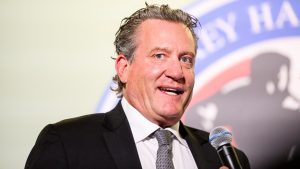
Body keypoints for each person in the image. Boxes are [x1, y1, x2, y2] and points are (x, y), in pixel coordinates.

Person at [25, 4, 250, 169]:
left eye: (186, 59)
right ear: (124, 68)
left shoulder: (226, 159)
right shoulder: (67, 143)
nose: (177, 72)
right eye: (160, 55)